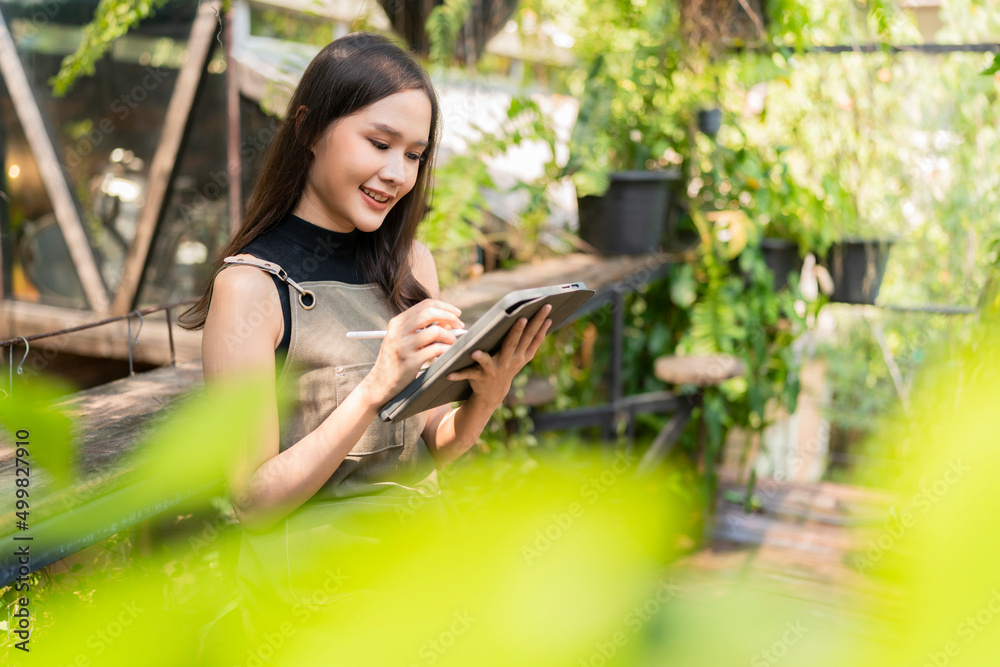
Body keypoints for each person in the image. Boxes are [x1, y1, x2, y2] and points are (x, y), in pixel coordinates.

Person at [178, 32, 552, 655]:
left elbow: (433, 448)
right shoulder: (250, 288)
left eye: (413, 155)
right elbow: (253, 501)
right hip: (312, 614)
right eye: (379, 144)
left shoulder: (412, 266)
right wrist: (375, 387)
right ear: (309, 128)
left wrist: (487, 395)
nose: (396, 173)